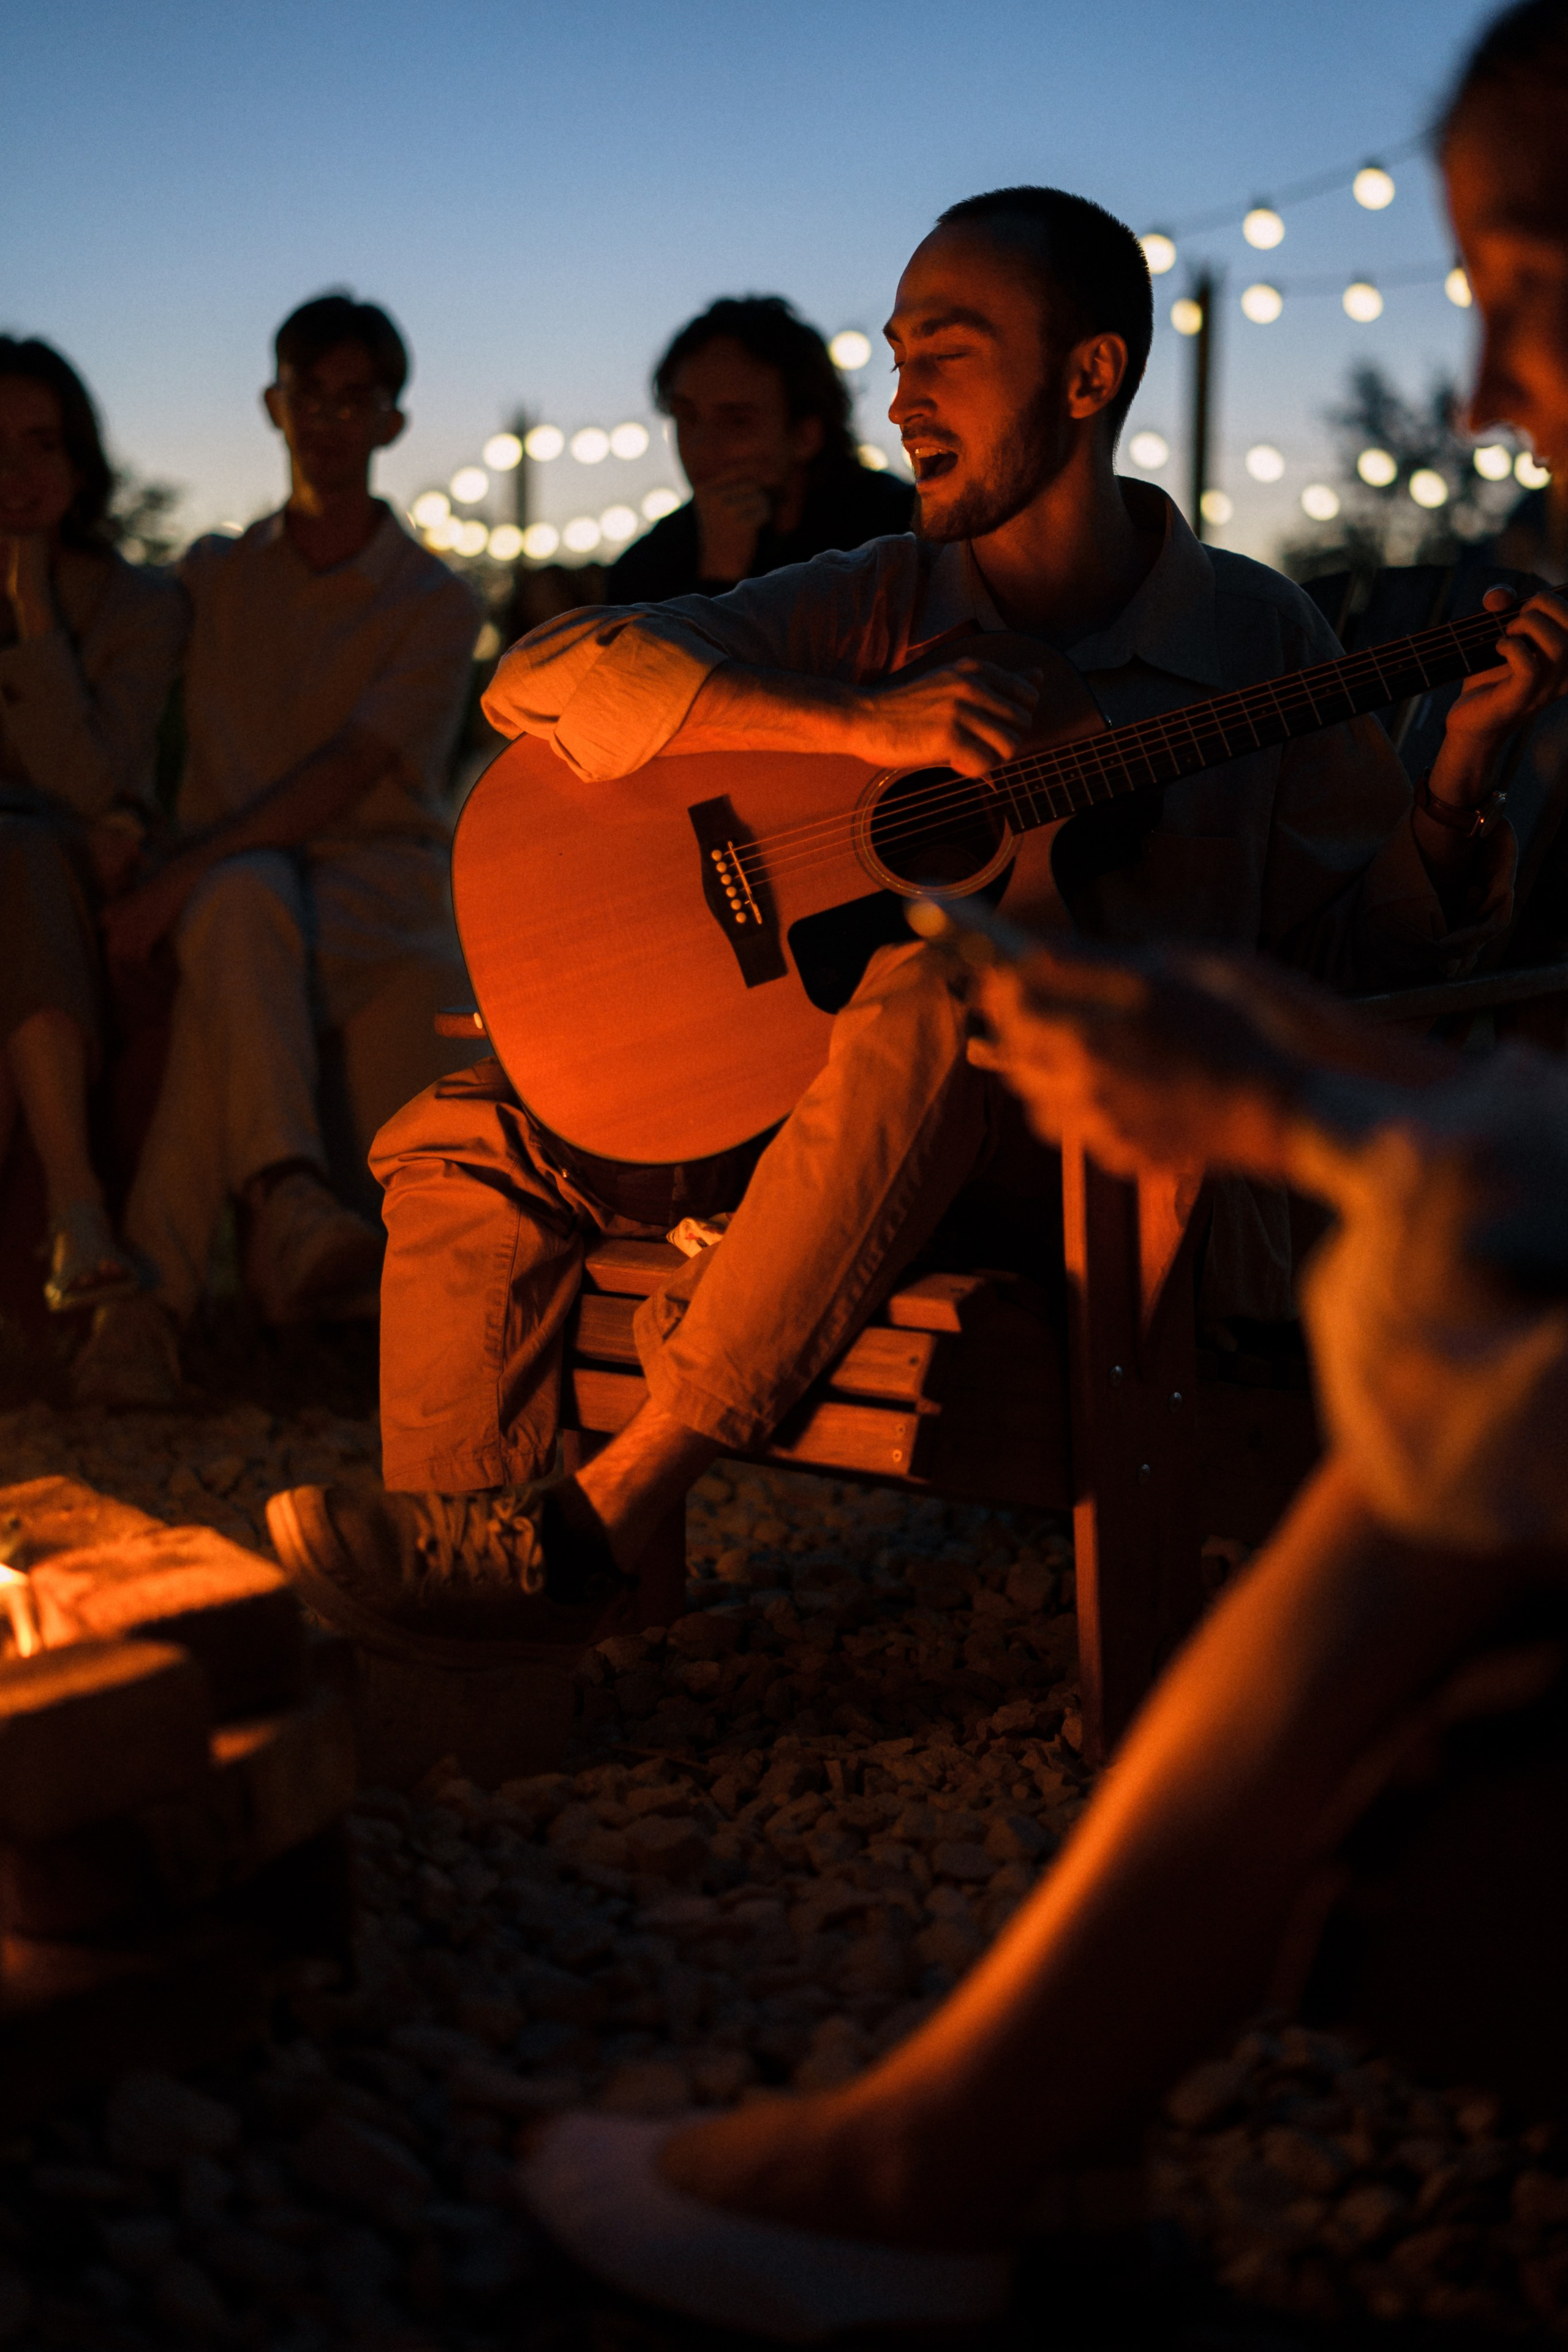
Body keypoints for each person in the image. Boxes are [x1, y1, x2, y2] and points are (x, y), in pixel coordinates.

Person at [495, 8, 1568, 2334]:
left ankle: (616, 1509)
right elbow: (549, 685)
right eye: (886, 357)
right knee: (835, 1011)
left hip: (1161, 1194)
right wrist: (839, 728)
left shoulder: (1261, 637)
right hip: (912, 1172)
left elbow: (1359, 942)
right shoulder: (876, 598)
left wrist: (1459, 773)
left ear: (1086, 379)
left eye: (945, 353)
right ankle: (547, 1563)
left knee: (951, 977)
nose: (901, 400)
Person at [75, 293, 482, 1406]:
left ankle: (146, 1312)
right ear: (276, 405)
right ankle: (289, 1204)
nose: (334, 420)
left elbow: (349, 770)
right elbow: (117, 678)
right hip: (235, 896)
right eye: (314, 395)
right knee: (244, 911)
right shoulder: (213, 578)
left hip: (372, 896)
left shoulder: (435, 602)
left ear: (392, 421)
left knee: (235, 916)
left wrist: (181, 876)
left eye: (359, 399)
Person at [0, 337, 186, 1318]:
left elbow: (102, 781)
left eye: (42, 445)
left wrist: (34, 618)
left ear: (79, 462)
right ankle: (72, 1216)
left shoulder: (140, 606)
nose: (18, 475)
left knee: (23, 849)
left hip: (65, 877)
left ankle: (78, 1204)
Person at [605, 295, 914, 601]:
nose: (701, 444)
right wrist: (720, 573)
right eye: (687, 417)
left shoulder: (898, 536)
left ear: (805, 436)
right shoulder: (649, 567)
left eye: (737, 421)